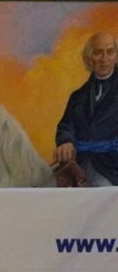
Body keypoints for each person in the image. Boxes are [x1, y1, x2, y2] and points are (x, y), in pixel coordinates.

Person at [53, 32, 117, 186]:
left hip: (111, 169)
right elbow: (66, 126)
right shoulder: (78, 96)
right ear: (89, 58)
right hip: (79, 166)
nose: (104, 59)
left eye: (110, 52)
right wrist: (65, 141)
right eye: (98, 53)